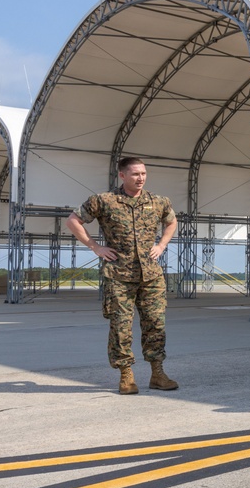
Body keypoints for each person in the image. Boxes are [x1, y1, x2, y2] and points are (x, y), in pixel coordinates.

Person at [66, 157, 179, 395]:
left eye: (144, 174)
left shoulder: (158, 201)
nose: (141, 178)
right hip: (119, 275)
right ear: (123, 175)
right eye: (136, 174)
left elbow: (171, 222)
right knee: (121, 328)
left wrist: (162, 245)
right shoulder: (104, 201)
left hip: (151, 276)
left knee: (156, 325)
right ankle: (126, 376)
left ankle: (157, 373)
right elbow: (73, 220)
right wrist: (95, 247)